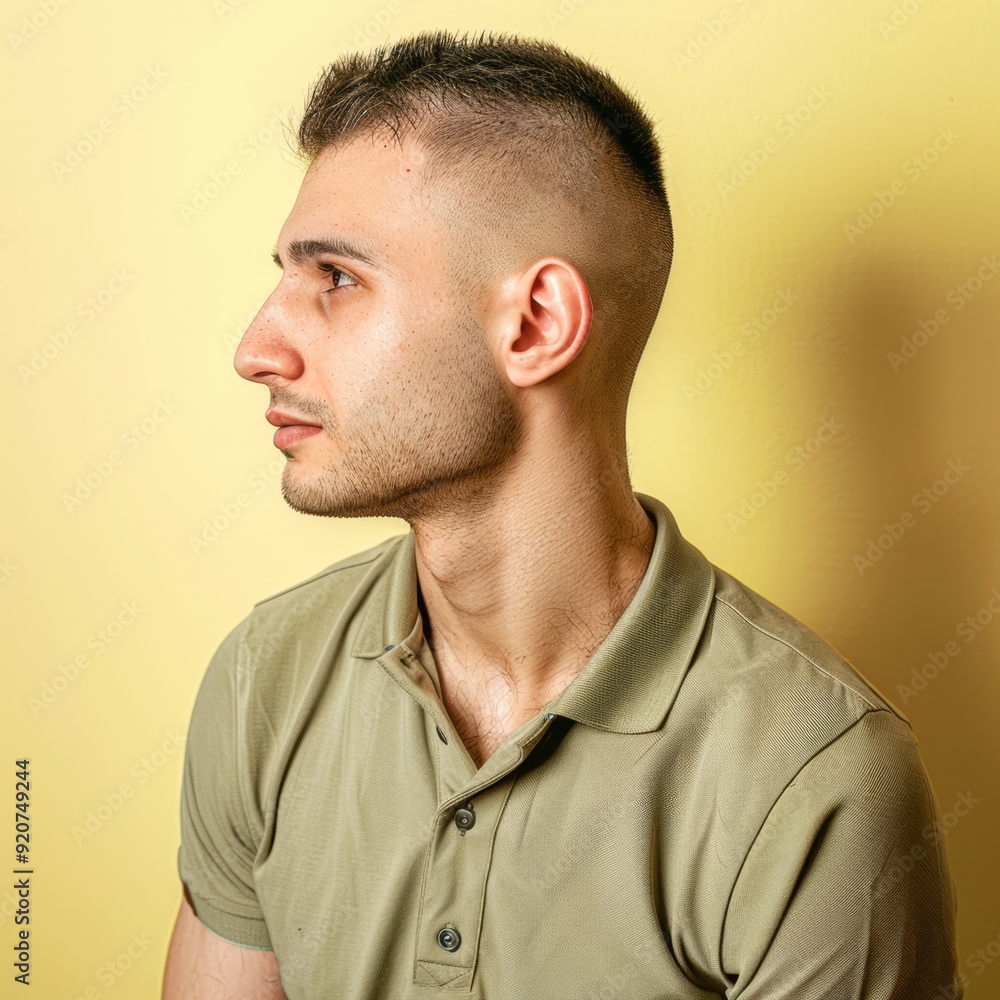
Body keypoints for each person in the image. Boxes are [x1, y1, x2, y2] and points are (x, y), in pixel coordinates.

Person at [162, 29, 962, 1000]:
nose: (257, 347)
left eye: (335, 278)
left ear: (536, 324)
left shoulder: (814, 778)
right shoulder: (266, 678)